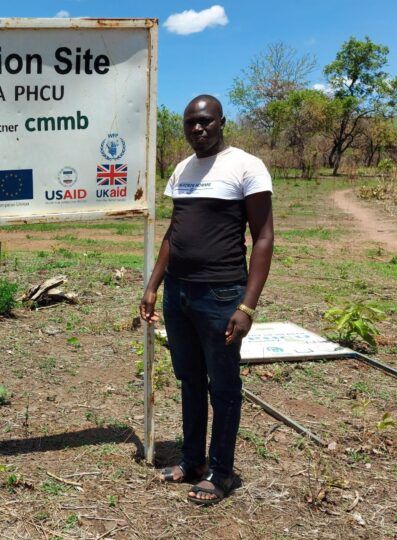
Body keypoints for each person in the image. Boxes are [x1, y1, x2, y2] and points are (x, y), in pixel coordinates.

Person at [139, 95, 274, 505]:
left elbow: (263, 237)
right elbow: (173, 233)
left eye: (205, 122)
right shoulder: (182, 169)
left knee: (225, 385)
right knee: (190, 379)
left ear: (221, 122)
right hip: (179, 293)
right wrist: (153, 284)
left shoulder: (246, 166)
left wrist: (247, 306)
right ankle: (193, 460)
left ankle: (222, 471)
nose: (198, 129)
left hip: (220, 294)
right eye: (190, 123)